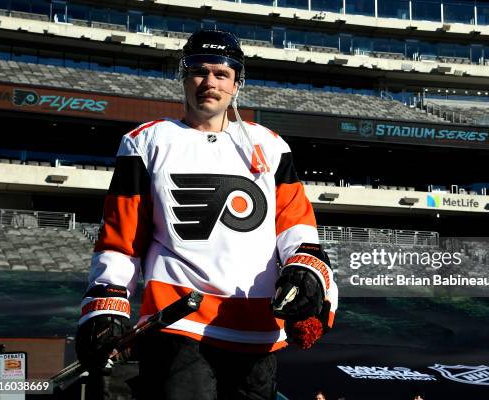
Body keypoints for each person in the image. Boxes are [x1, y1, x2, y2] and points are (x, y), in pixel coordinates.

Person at [75, 29, 338, 400]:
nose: (209, 82)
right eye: (199, 71)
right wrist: (106, 302)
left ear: (237, 83)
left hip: (259, 329)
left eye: (221, 73)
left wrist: (305, 271)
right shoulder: (145, 141)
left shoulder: (272, 145)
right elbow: (122, 236)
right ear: (183, 76)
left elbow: (295, 224)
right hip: (178, 323)